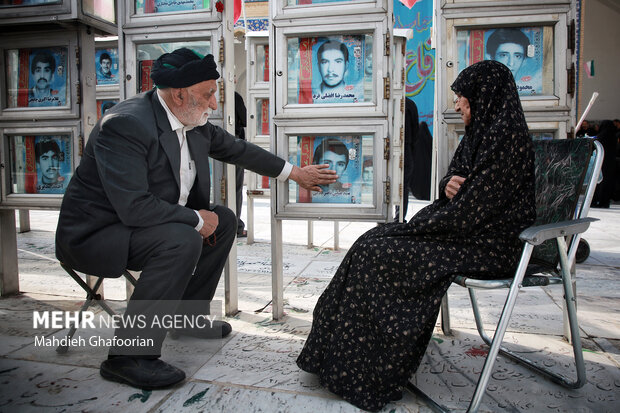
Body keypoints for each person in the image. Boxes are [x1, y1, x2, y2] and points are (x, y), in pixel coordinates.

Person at [55, 48, 337, 391]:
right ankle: (128, 356)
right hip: (100, 233)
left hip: (147, 224)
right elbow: (133, 207)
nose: (215, 104)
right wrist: (192, 218)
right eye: (208, 94)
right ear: (179, 94)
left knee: (225, 221)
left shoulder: (195, 122)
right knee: (184, 236)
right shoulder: (126, 125)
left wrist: (296, 174)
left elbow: (239, 150)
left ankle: (185, 318)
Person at [296, 60, 536, 411]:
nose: (457, 105)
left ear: (485, 98)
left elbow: (476, 210)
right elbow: (456, 180)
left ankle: (371, 372)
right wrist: (447, 184)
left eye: (463, 98)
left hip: (493, 244)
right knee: (370, 242)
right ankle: (334, 359)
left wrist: (417, 228)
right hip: (465, 232)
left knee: (384, 253)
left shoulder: (507, 142)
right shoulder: (482, 132)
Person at [394, 98, 420, 221]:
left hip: (387, 147)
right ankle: (399, 219)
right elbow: (416, 131)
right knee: (402, 187)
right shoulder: (409, 104)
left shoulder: (386, 103)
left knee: (385, 182)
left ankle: (384, 218)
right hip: (406, 148)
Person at [592, 120, 617, 208]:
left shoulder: (602, 136)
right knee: (607, 182)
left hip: (601, 163)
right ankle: (604, 202)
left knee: (598, 182)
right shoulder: (613, 136)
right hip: (610, 163)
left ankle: (595, 201)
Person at [234, 91, 247, 237]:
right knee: (236, 187)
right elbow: (244, 119)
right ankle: (236, 225)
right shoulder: (234, 95)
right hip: (234, 144)